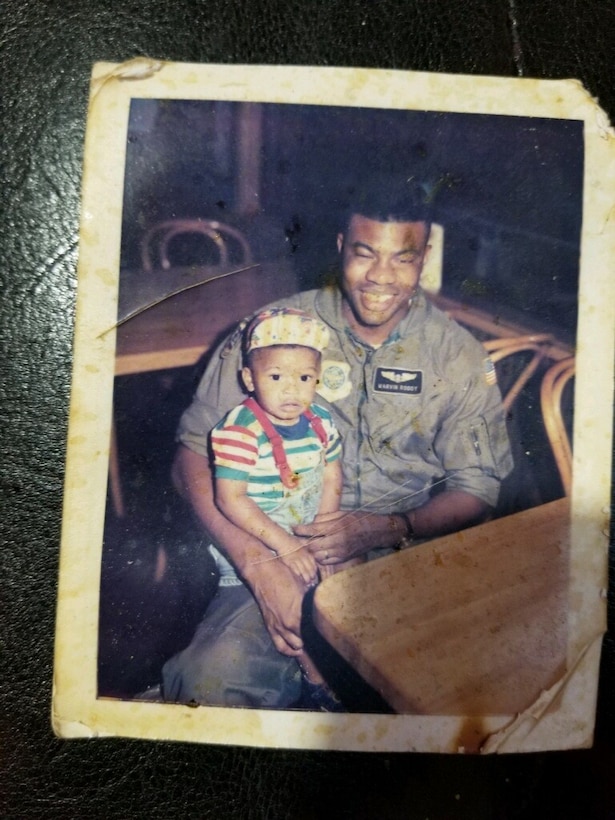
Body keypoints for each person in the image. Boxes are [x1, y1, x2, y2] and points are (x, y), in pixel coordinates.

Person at [162, 178, 514, 710]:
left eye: (403, 258)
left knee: (459, 699)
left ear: (425, 258)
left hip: (405, 560)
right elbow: (190, 457)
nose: (381, 277)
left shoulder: (457, 354)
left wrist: (391, 528)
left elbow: (477, 488)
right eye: (364, 254)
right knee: (211, 682)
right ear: (339, 249)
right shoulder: (271, 334)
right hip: (274, 548)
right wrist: (257, 565)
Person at [208, 306, 350, 707]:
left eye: (304, 378)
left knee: (342, 581)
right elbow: (229, 498)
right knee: (300, 595)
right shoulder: (239, 430)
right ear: (248, 378)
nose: (292, 391)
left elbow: (332, 476)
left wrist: (323, 533)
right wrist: (285, 546)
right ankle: (315, 675)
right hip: (258, 534)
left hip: (302, 530)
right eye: (276, 377)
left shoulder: (321, 420)